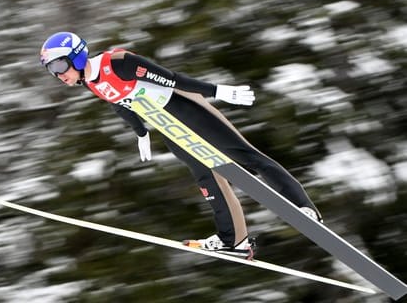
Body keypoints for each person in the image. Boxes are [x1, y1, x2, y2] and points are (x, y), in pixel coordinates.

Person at [39, 31, 322, 258]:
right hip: (166, 125)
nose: (58, 74)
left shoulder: (118, 62)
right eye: (52, 70)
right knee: (206, 178)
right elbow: (120, 104)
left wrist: (219, 91)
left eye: (59, 65)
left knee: (246, 157)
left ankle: (303, 207)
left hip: (184, 107)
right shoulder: (91, 82)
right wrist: (140, 132)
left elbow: (172, 78)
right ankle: (234, 241)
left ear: (77, 56)